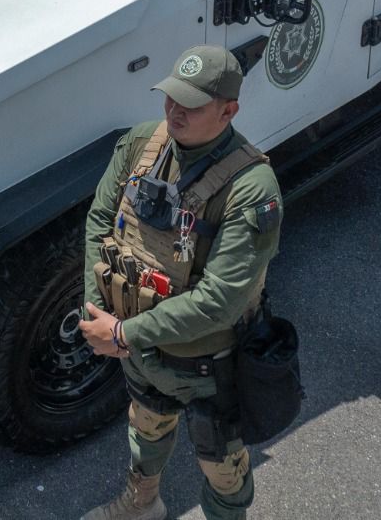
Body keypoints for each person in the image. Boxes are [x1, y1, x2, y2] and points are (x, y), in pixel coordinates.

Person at [78, 45, 283, 520]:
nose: (174, 111)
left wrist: (122, 334)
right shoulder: (141, 144)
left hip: (206, 366)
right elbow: (99, 221)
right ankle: (142, 505)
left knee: (221, 466)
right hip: (139, 349)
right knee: (144, 429)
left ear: (228, 111)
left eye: (191, 105)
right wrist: (98, 314)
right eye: (171, 97)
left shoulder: (251, 189)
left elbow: (218, 303)